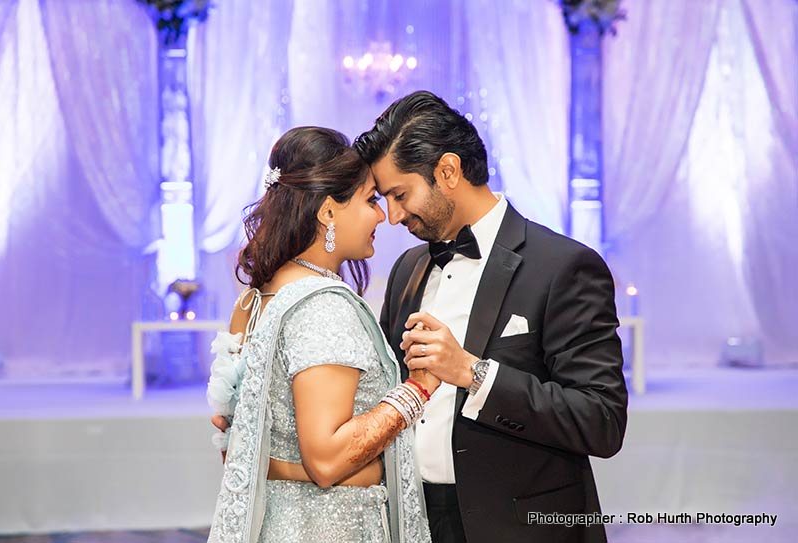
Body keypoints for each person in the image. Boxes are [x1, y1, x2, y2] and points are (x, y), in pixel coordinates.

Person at [351, 90, 629, 543]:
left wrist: (474, 373)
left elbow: (601, 421)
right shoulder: (408, 268)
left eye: (400, 194)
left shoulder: (563, 266)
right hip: (414, 522)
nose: (394, 215)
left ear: (448, 171)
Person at [205, 127, 433, 543]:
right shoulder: (322, 305)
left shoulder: (254, 299)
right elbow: (327, 460)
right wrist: (418, 388)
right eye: (369, 201)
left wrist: (280, 467)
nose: (381, 216)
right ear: (328, 211)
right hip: (333, 527)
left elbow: (234, 445)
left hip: (276, 524)